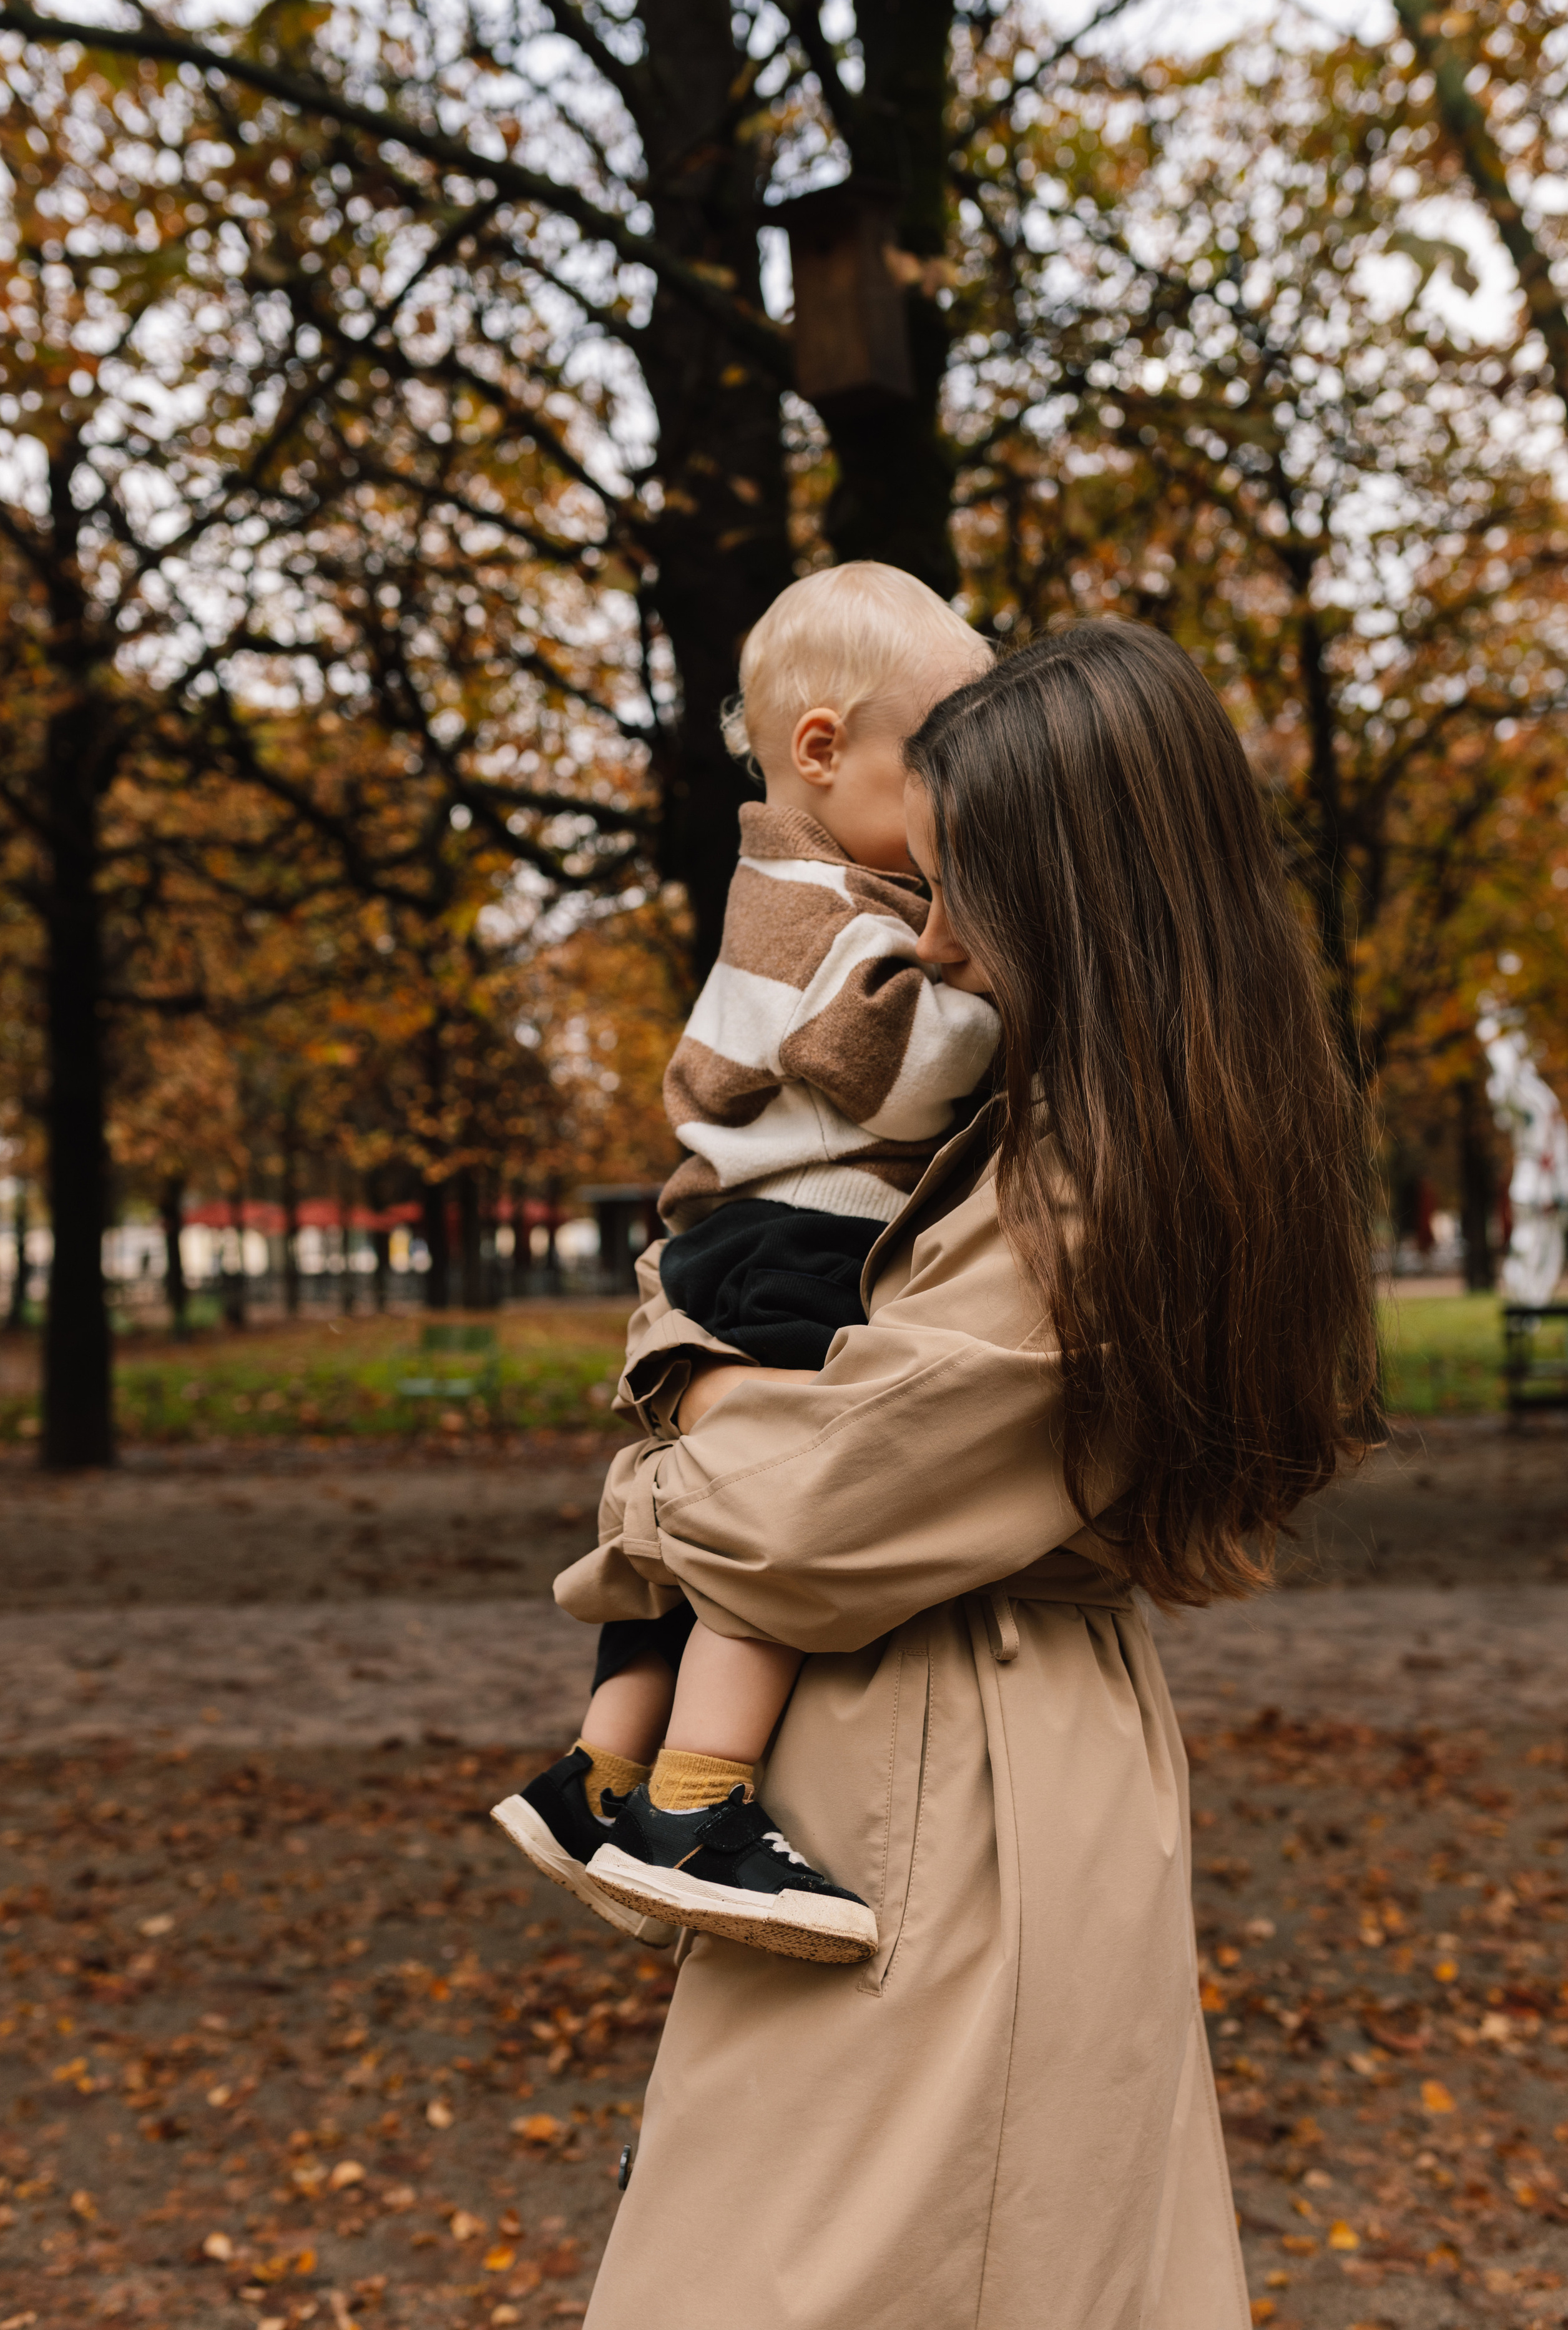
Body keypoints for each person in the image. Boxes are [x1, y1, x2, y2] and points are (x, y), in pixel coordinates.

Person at [559, 618, 1376, 2330]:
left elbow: (802, 1515)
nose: (929, 941)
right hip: (956, 1774)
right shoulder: (1106, 1135)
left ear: (1078, 898)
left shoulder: (1087, 1197)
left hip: (954, 1797)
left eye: (958, 892)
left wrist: (674, 1385)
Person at [495, 563, 1001, 1959]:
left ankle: (599, 1770)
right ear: (822, 751)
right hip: (799, 1245)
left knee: (699, 1515)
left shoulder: (797, 886)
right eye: (934, 761)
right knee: (780, 1518)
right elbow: (886, 1068)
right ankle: (699, 1802)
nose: (958, 806)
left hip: (736, 1238)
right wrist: (1010, 1002)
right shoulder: (820, 905)